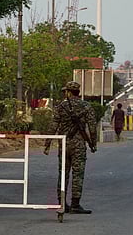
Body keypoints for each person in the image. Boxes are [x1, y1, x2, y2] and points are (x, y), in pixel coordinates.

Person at [44, 81, 97, 214]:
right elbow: (92, 127)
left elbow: (53, 126)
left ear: (68, 92)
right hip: (79, 145)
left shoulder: (61, 106)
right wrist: (93, 143)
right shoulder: (86, 106)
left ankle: (62, 203)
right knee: (77, 174)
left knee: (63, 173)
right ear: (78, 92)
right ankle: (75, 204)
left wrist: (47, 144)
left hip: (64, 144)